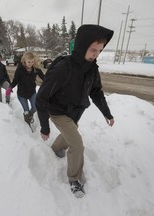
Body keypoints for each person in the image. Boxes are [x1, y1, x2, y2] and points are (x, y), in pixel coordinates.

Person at [35, 24, 115, 198]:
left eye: (99, 51)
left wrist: (107, 113)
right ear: (82, 46)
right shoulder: (63, 68)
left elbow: (96, 92)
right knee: (77, 144)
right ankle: (74, 179)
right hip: (58, 111)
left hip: (76, 110)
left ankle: (56, 147)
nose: (96, 54)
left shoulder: (92, 69)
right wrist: (44, 127)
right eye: (93, 49)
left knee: (71, 132)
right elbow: (41, 98)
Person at [6, 52, 44, 124]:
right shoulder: (20, 70)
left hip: (32, 92)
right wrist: (10, 87)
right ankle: (28, 123)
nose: (30, 63)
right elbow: (15, 80)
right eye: (29, 62)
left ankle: (30, 115)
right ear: (24, 61)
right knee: (26, 111)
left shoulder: (36, 70)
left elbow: (45, 78)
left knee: (35, 108)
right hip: (21, 94)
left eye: (32, 62)